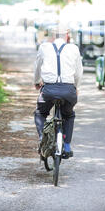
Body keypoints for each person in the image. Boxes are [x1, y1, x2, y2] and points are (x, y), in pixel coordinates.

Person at [33, 24, 83, 159]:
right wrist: (76, 87)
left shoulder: (44, 47)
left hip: (48, 90)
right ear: (67, 36)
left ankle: (43, 139)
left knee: (40, 113)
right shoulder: (74, 49)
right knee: (69, 115)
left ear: (53, 36)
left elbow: (38, 66)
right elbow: (78, 73)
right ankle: (66, 145)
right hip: (68, 91)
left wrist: (37, 81)